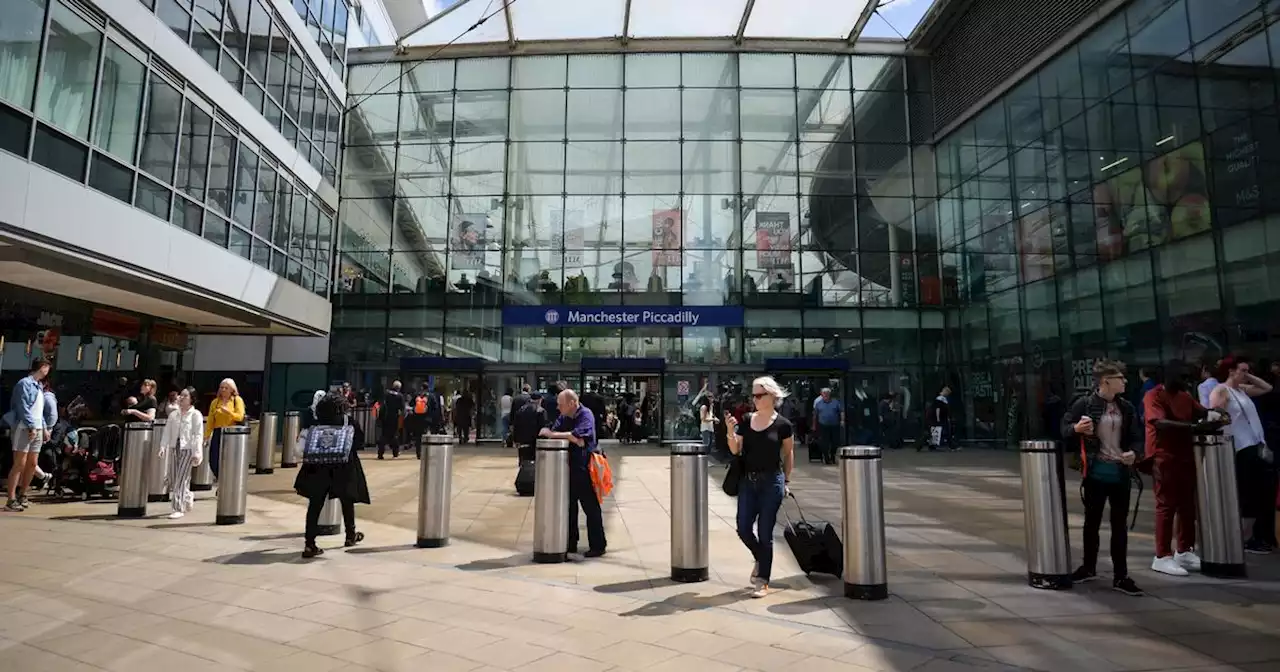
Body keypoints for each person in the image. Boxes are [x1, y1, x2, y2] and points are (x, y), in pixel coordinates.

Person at [1061, 360, 1145, 596]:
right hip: (1096, 473)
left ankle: (1121, 576)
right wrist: (1076, 429)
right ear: (1105, 381)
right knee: (1092, 523)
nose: (1125, 381)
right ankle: (1089, 567)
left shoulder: (1126, 407)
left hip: (1120, 473)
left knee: (1119, 525)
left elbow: (1138, 436)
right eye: (1120, 378)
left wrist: (1134, 453)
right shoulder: (1085, 404)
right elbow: (1065, 428)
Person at [725, 376, 794, 599]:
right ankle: (760, 557)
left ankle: (763, 580)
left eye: (759, 395)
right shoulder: (746, 420)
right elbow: (736, 450)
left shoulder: (783, 425)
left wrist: (787, 481)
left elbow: (788, 453)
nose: (754, 399)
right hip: (748, 481)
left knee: (765, 532)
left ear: (772, 396)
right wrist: (729, 431)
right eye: (753, 395)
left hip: (772, 482)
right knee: (743, 528)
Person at [1145, 362, 1217, 576]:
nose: (1187, 383)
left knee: (1187, 505)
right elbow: (1159, 422)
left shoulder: (1185, 396)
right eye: (1184, 378)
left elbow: (1201, 412)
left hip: (1185, 456)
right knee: (1166, 506)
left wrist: (1214, 415)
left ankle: (1184, 550)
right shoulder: (1154, 395)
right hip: (1164, 456)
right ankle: (1162, 555)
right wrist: (1193, 426)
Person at [1208, 356, 1275, 554]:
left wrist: (1247, 375)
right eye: (1243, 370)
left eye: (1248, 370)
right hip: (1241, 447)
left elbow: (1267, 388)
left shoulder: (1241, 390)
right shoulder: (1221, 390)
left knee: (1259, 494)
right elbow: (1215, 416)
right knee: (1249, 494)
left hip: (1256, 445)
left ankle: (1251, 536)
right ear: (1231, 371)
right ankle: (1244, 537)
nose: (1246, 374)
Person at [295, 392, 370, 558]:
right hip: (343, 466)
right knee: (346, 500)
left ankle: (310, 543)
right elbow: (359, 442)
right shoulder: (348, 421)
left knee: (315, 505)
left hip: (317, 466)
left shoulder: (316, 421)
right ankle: (350, 535)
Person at [539, 389, 605, 558]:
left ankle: (598, 545)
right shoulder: (564, 416)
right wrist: (569, 437)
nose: (558, 408)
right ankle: (570, 543)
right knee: (569, 508)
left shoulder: (585, 414)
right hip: (567, 468)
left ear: (572, 403)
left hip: (585, 469)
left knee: (590, 507)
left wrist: (562, 435)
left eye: (561, 405)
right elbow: (571, 437)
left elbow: (581, 437)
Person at [4, 359, 51, 512]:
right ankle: (11, 499)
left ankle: (23, 494)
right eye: (47, 368)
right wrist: (31, 425)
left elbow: (39, 409)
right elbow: (22, 405)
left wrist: (43, 428)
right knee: (20, 463)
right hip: (24, 427)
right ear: (42, 367)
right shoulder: (24, 383)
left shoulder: (39, 385)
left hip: (36, 427)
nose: (48, 371)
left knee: (32, 463)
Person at [158, 387, 204, 519]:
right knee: (173, 478)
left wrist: (197, 452)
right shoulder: (174, 415)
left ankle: (178, 508)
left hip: (187, 449)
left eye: (185, 396)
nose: (181, 398)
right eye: (181, 395)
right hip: (174, 447)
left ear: (191, 399)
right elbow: (167, 431)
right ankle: (187, 495)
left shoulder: (196, 415)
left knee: (181, 479)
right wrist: (163, 446)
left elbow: (197, 435)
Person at [205, 379, 246, 480]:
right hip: (218, 432)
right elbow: (210, 420)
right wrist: (206, 435)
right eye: (221, 387)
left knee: (229, 460)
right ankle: (221, 479)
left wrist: (229, 413)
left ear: (232, 390)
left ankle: (226, 483)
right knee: (214, 460)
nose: (223, 390)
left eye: (226, 388)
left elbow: (240, 416)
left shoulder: (237, 400)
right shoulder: (215, 402)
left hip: (231, 433)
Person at [512, 391, 547, 463]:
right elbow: (543, 427)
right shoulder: (540, 411)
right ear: (539, 400)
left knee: (523, 463)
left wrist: (516, 440)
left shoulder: (521, 409)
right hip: (535, 442)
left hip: (523, 442)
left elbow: (516, 426)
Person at [812, 388, 844, 463]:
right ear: (821, 395)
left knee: (835, 442)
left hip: (834, 425)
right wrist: (814, 425)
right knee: (824, 442)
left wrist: (842, 420)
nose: (825, 395)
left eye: (827, 393)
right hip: (823, 425)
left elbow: (841, 411)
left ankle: (833, 456)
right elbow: (815, 415)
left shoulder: (836, 402)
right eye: (824, 393)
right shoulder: (818, 403)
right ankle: (826, 457)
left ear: (830, 394)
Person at [377, 381, 405, 459]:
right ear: (399, 388)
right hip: (394, 418)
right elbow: (402, 408)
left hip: (384, 418)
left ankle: (380, 453)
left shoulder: (386, 394)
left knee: (383, 435)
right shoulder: (400, 396)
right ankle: (395, 453)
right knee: (394, 435)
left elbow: (380, 404)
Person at [924, 385, 954, 451]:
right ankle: (950, 445)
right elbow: (938, 409)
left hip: (941, 418)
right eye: (947, 393)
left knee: (935, 432)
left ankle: (932, 445)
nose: (948, 394)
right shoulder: (940, 399)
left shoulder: (942, 399)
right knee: (942, 431)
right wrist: (938, 418)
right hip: (940, 418)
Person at [407, 385, 430, 458]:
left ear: (421, 388)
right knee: (425, 436)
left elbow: (411, 404)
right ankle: (425, 453)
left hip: (416, 419)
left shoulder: (416, 396)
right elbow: (434, 407)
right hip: (426, 419)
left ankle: (418, 453)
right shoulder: (430, 396)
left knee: (418, 437)